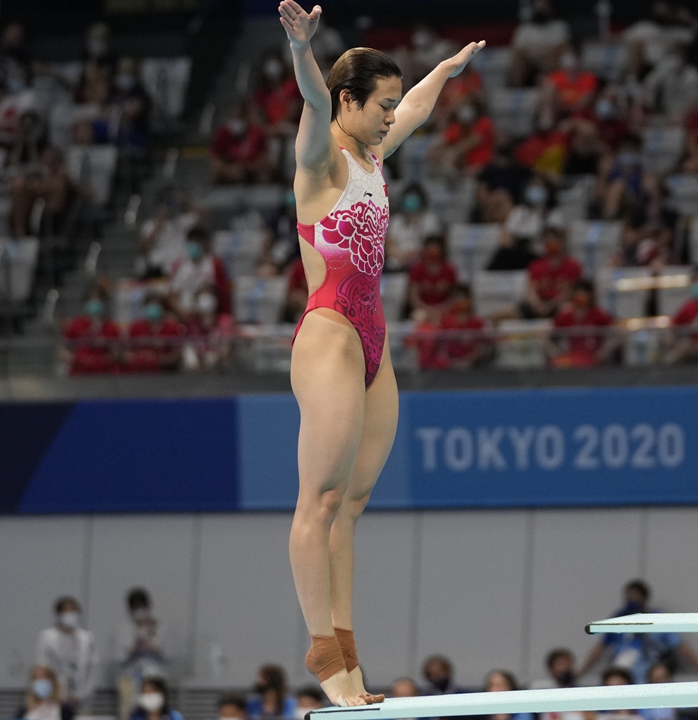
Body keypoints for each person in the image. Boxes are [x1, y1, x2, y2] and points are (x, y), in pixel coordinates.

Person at [278, 0, 483, 706]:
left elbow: (419, 108)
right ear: (348, 101)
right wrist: (302, 49)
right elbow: (312, 101)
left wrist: (445, 71)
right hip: (331, 334)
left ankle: (350, 656)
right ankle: (324, 655)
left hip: (374, 339)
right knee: (319, 501)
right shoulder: (320, 160)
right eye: (382, 105)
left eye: (394, 104)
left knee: (353, 503)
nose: (393, 116)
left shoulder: (373, 153)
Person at [580, 580, 698, 683]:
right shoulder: (618, 619)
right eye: (629, 597)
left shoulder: (657, 619)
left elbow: (680, 645)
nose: (632, 601)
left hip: (650, 674)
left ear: (645, 598)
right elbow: (601, 647)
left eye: (636, 597)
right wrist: (582, 671)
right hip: (624, 675)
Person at [36, 596, 99, 711]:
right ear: (58, 614)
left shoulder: (86, 639)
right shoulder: (47, 638)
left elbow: (92, 670)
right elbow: (41, 669)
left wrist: (81, 695)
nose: (70, 615)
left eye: (73, 611)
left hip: (81, 699)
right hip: (54, 698)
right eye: (66, 611)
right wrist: (51, 694)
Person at [114, 588, 168, 720]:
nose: (139, 611)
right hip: (130, 679)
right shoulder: (124, 628)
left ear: (148, 606)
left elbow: (171, 656)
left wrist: (154, 647)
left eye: (142, 606)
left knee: (154, 712)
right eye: (136, 607)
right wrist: (133, 648)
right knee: (128, 713)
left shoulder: (159, 626)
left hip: (154, 677)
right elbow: (117, 658)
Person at [510, 0, 571, 87]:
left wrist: (543, 55)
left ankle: (545, 84)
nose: (541, 9)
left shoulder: (559, 26)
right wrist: (535, 55)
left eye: (544, 6)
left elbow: (561, 47)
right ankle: (517, 89)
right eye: (538, 6)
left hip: (550, 63)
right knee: (518, 58)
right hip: (530, 63)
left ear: (549, 8)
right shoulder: (525, 28)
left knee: (555, 56)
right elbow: (518, 49)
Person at [210, 102, 273, 184]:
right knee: (215, 174)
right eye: (234, 117)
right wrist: (226, 169)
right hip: (229, 169)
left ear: (246, 117)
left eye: (239, 117)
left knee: (264, 173)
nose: (236, 121)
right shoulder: (222, 133)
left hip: (250, 169)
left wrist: (247, 168)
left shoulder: (256, 132)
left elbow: (263, 156)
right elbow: (214, 157)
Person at [62, 290, 121, 375]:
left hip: (105, 374)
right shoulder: (76, 324)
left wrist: (105, 348)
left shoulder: (111, 326)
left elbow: (118, 353)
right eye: (91, 300)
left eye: (98, 300)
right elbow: (62, 349)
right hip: (80, 373)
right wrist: (77, 359)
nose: (95, 303)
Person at [386, 183, 442, 271]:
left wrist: (411, 255)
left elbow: (431, 245)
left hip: (421, 261)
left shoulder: (429, 220)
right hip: (398, 260)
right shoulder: (396, 220)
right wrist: (399, 256)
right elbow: (389, 244)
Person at [125, 296, 184, 374]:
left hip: (166, 373)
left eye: (156, 306)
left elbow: (177, 355)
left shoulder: (172, 327)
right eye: (150, 306)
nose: (152, 309)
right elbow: (126, 353)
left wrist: (157, 358)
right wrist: (141, 357)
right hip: (138, 373)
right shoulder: (136, 327)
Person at [406, 235, 459, 321]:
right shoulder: (417, 269)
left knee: (452, 319)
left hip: (445, 310)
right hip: (423, 309)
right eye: (430, 248)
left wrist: (442, 309)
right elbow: (413, 297)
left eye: (435, 248)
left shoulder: (449, 270)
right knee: (418, 316)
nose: (433, 251)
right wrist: (428, 310)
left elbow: (455, 296)